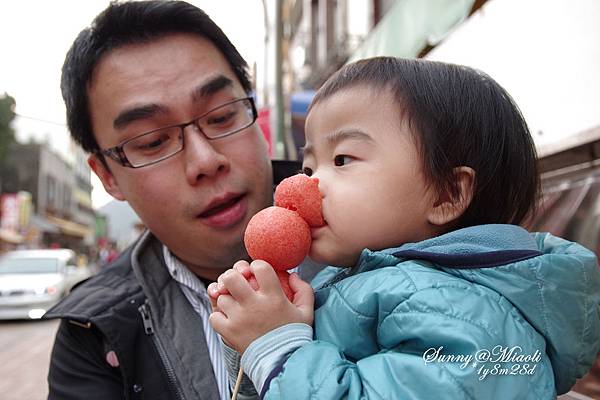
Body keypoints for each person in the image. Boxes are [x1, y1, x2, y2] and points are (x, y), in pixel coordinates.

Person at [208, 57, 600, 399]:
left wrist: (278, 348)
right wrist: (251, 339)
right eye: (309, 166)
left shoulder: (460, 311)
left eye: (342, 159)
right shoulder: (353, 283)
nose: (302, 185)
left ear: (446, 194)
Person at [44, 1, 302, 399]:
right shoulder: (94, 338)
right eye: (151, 141)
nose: (205, 161)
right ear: (108, 177)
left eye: (221, 116)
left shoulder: (391, 231)